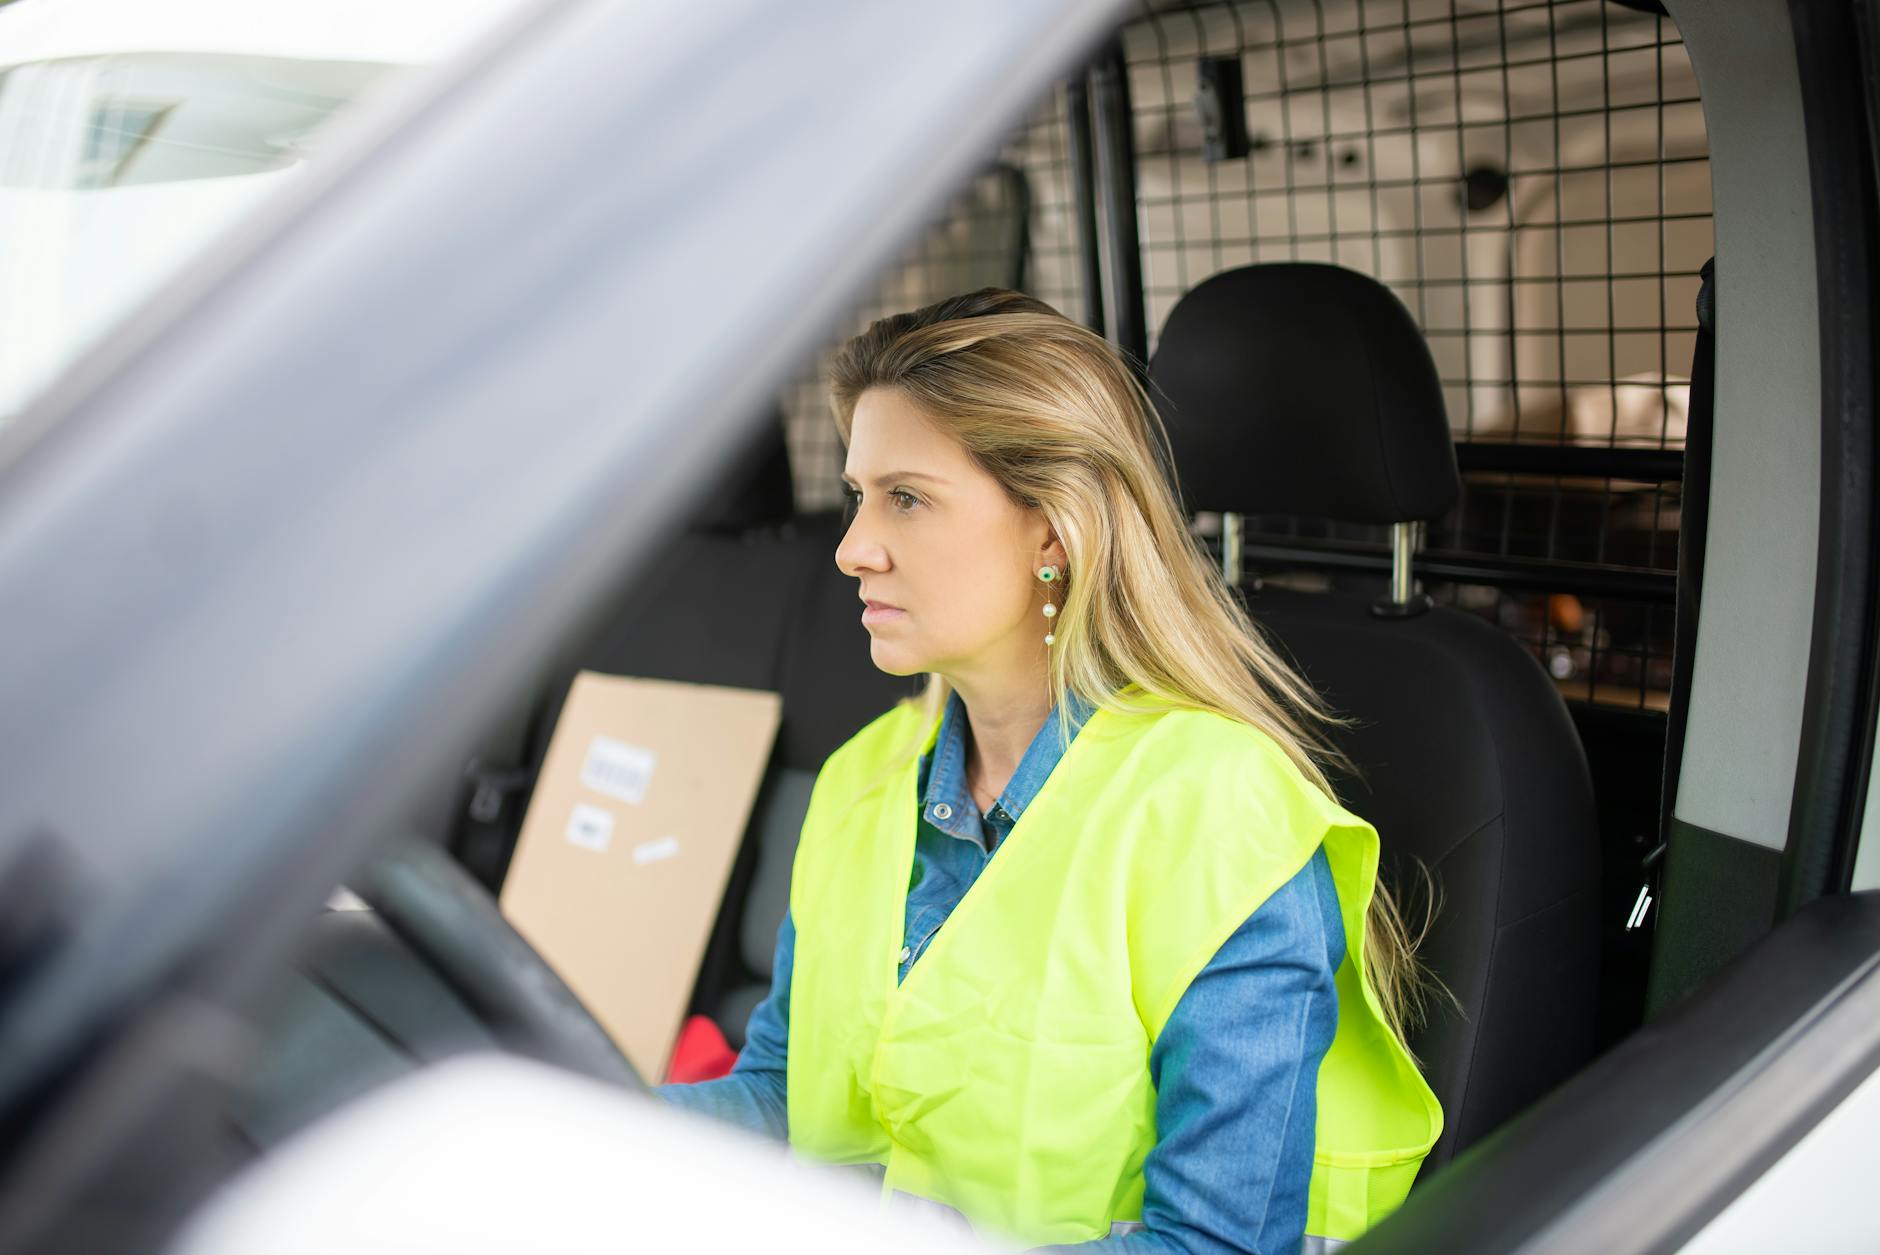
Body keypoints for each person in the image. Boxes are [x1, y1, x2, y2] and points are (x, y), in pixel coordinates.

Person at [658, 289, 1443, 1254]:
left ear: (1052, 532)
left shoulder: (1214, 813)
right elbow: (785, 1091)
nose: (853, 547)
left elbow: (1217, 1246)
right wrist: (581, 1132)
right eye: (860, 495)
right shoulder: (866, 777)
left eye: (906, 496)